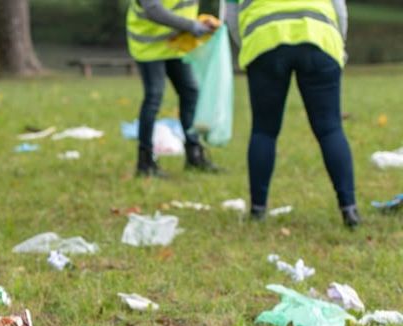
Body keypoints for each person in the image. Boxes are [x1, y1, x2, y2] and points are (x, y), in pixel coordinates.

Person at [226, 0, 359, 227]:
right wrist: (337, 41)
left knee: (264, 130)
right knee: (330, 129)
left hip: (264, 40)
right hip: (319, 36)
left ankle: (258, 210)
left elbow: (232, 17)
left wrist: (250, 45)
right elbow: (339, 9)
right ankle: (349, 210)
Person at [126, 0, 220, 177]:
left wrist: (200, 22)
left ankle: (194, 154)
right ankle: (145, 162)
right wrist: (191, 25)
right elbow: (153, 10)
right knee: (154, 97)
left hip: (175, 43)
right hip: (149, 45)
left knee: (190, 92)